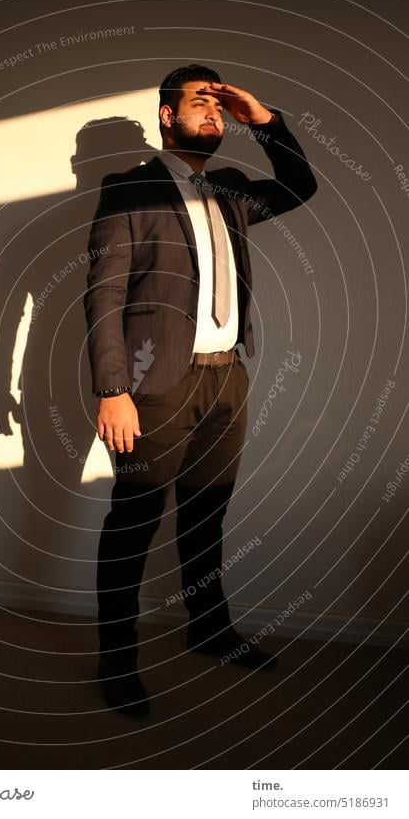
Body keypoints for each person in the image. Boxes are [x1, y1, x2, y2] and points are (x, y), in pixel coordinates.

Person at [84, 63, 317, 717]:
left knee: (206, 516)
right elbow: (102, 295)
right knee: (132, 521)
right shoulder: (127, 189)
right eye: (197, 103)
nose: (211, 114)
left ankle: (208, 628)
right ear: (167, 116)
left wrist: (262, 120)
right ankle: (117, 661)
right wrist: (111, 389)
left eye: (217, 106)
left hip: (227, 377)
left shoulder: (233, 188)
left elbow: (302, 184)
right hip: (153, 386)